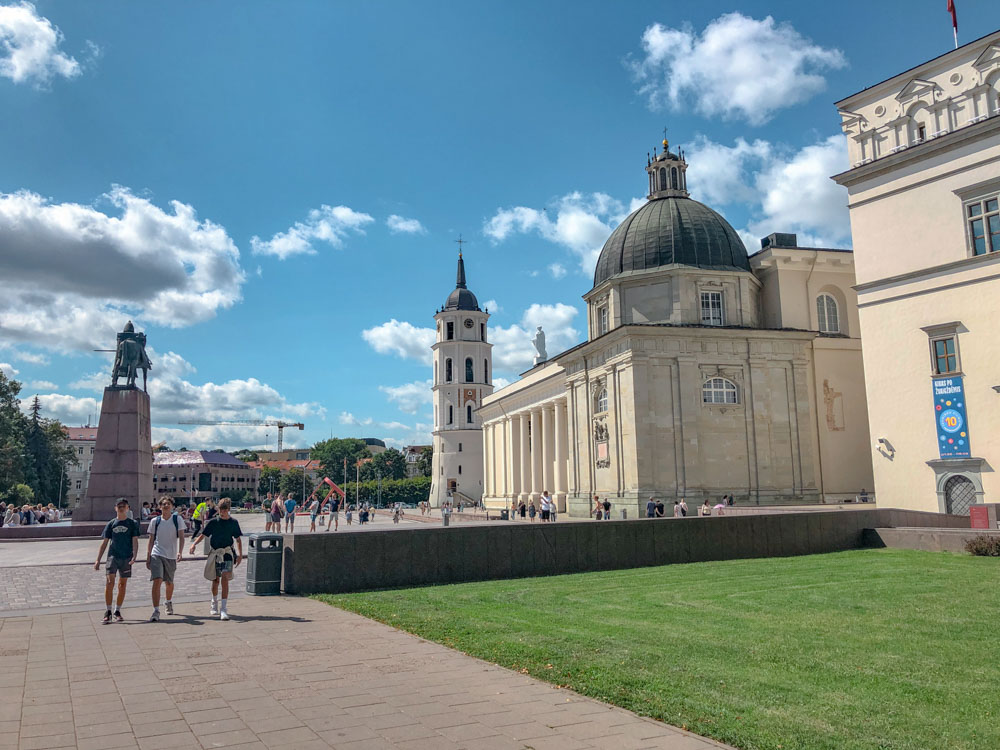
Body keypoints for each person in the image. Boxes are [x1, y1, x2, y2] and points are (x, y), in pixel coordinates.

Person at [188, 497, 243, 621]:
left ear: (228, 510)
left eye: (224, 510)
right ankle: (214, 602)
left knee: (225, 578)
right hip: (215, 553)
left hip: (227, 552)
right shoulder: (213, 522)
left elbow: (238, 539)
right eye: (220, 509)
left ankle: (224, 608)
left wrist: (240, 555)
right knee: (215, 579)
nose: (222, 512)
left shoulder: (233, 522)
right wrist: (193, 544)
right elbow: (203, 535)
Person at [94, 499, 140, 624]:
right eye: (119, 506)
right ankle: (108, 611)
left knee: (122, 584)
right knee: (109, 582)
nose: (121, 508)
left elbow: (135, 540)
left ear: (128, 508)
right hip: (112, 556)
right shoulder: (111, 524)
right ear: (115, 508)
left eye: (123, 506)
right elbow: (104, 543)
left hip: (126, 557)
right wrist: (98, 559)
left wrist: (135, 555)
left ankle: (117, 610)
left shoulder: (132, 523)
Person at [145, 496, 184, 622]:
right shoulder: (155, 521)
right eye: (163, 504)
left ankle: (168, 601)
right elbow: (151, 539)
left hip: (171, 555)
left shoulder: (177, 519)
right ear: (159, 506)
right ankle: (156, 610)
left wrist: (180, 552)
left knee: (169, 582)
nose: (166, 506)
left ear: (172, 506)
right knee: (157, 580)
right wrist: (148, 556)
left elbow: (182, 537)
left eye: (168, 504)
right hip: (157, 553)